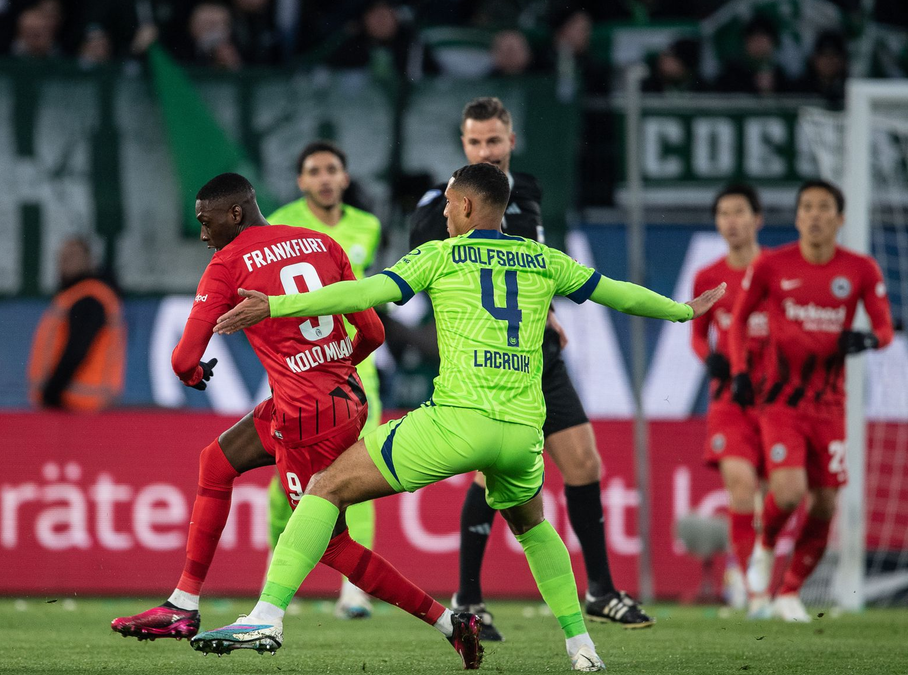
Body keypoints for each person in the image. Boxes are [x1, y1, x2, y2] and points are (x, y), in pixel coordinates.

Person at [201, 163, 726, 671]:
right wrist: (682, 310)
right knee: (534, 527)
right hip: (522, 433)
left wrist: (274, 306)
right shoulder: (545, 260)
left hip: (456, 424)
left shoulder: (441, 256)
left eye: (449, 203)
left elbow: (363, 292)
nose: (444, 213)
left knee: (324, 487)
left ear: (469, 205)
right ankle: (582, 648)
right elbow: (619, 294)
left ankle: (266, 617)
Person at [110, 173, 484, 670]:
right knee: (216, 462)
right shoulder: (323, 243)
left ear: (236, 214)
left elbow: (182, 361)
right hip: (343, 397)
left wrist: (198, 372)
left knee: (331, 544)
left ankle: (447, 622)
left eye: (206, 222)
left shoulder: (227, 264)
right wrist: (331, 370)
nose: (203, 233)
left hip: (306, 415)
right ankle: (183, 603)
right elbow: (371, 330)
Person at [410, 96, 654, 637]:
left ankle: (602, 592)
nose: (485, 151)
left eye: (493, 140)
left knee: (584, 464)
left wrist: (548, 314)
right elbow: (433, 281)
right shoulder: (439, 205)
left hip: (538, 353)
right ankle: (469, 599)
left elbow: (530, 268)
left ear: (511, 141)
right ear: (463, 144)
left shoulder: (530, 193)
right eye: (474, 142)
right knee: (489, 469)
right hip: (486, 366)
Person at [729, 180, 894, 621]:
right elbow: (738, 321)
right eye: (807, 208)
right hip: (781, 400)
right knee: (788, 491)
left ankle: (789, 592)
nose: (815, 215)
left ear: (840, 219)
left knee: (824, 503)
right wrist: (741, 371)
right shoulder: (771, 265)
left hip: (831, 405)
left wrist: (866, 338)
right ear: (798, 217)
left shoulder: (860, 269)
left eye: (824, 208)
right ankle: (764, 549)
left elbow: (885, 329)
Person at [266, 140, 384, 619]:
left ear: (346, 176)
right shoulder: (277, 223)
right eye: (314, 170)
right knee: (284, 485)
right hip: (299, 373)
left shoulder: (368, 226)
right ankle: (276, 584)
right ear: (301, 181)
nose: (324, 178)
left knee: (366, 473)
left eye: (332, 169)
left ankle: (355, 592)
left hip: (357, 369)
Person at [690, 183, 768, 614]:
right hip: (729, 400)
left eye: (739, 212)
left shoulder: (776, 271)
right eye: (723, 213)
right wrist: (711, 360)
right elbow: (698, 336)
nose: (731, 222)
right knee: (741, 488)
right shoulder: (708, 277)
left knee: (781, 497)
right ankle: (748, 582)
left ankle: (762, 567)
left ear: (757, 219)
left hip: (777, 400)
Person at [27, 237, 125, 411]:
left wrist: (50, 393)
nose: (65, 262)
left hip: (77, 405)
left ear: (89, 261)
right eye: (62, 257)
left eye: (72, 256)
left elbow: (77, 349)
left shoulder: (89, 297)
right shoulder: (76, 295)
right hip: (80, 405)